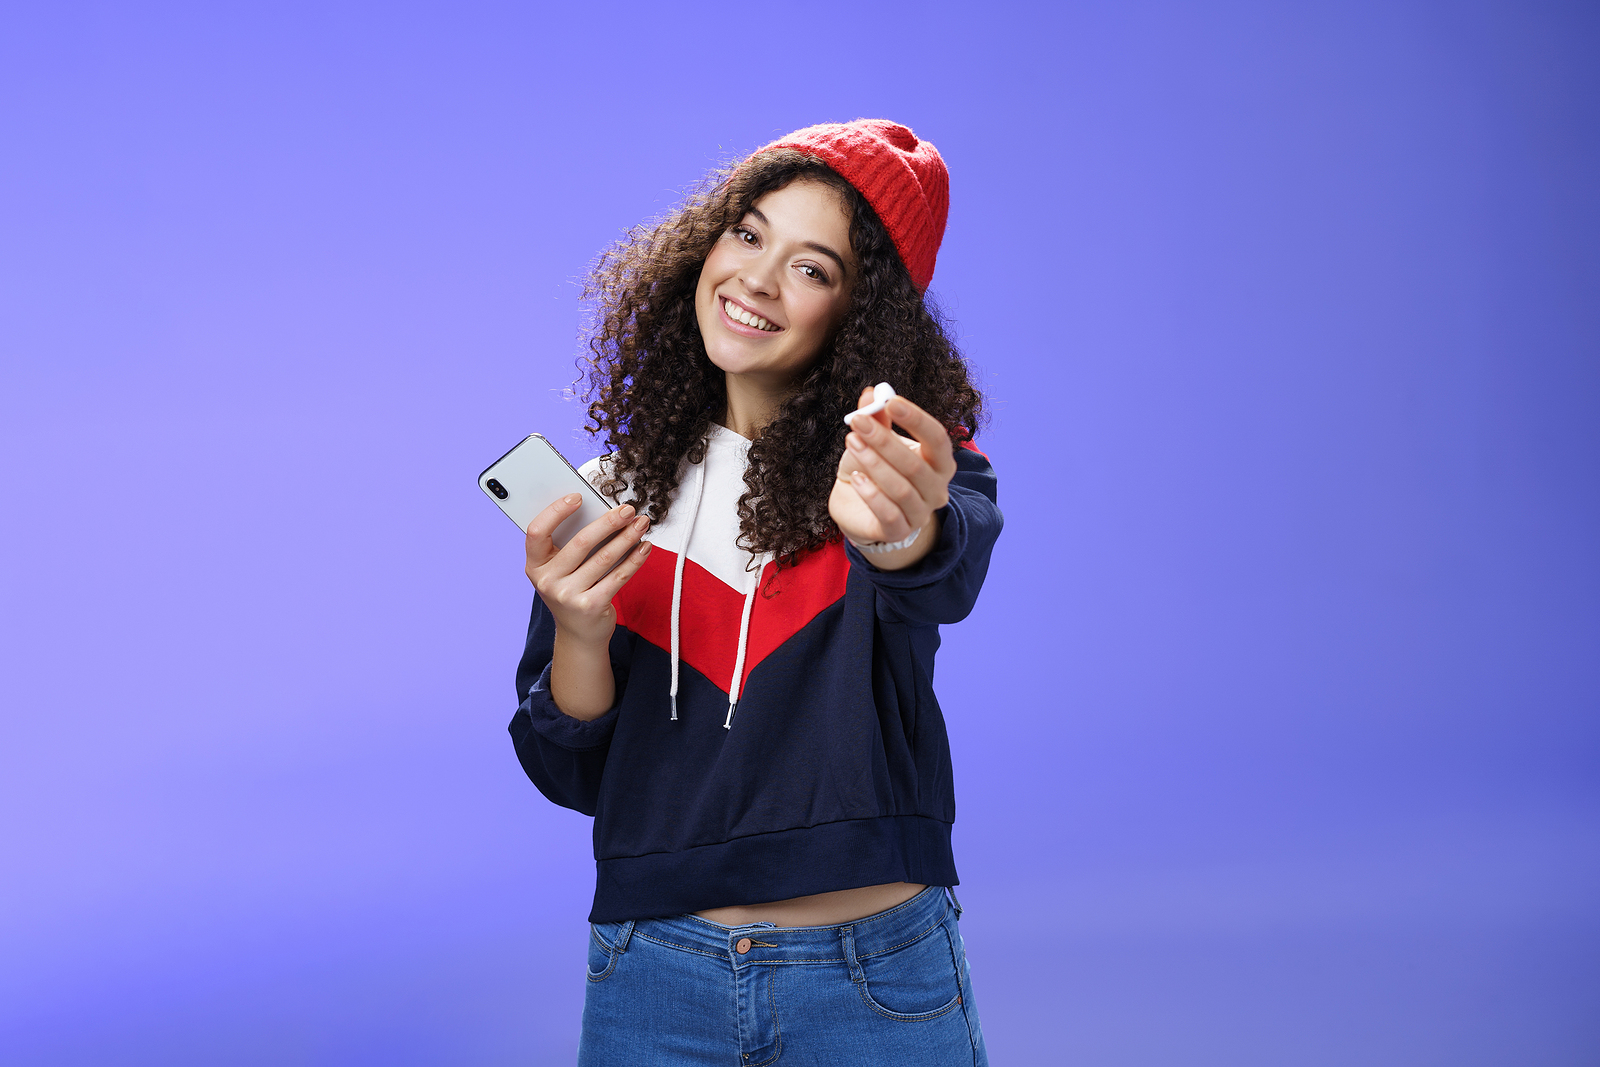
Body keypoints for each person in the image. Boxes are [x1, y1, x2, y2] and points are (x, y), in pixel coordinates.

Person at [508, 119, 1001, 1066]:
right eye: (747, 233)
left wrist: (899, 527)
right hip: (651, 972)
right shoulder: (617, 493)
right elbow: (570, 774)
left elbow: (942, 569)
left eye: (813, 268)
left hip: (874, 975)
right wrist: (576, 629)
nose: (758, 281)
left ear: (863, 317)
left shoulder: (901, 471)